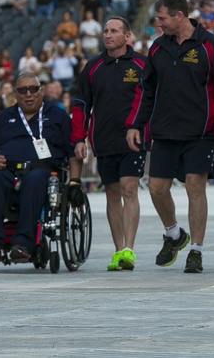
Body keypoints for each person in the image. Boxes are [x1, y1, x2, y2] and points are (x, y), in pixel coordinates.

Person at [128, 0, 214, 274]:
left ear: (179, 16)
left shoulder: (211, 45)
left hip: (201, 132)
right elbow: (147, 91)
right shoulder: (158, 48)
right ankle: (174, 234)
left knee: (196, 186)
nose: (158, 23)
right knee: (157, 189)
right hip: (164, 132)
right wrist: (136, 125)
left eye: (162, 18)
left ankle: (196, 250)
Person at [0, 72, 74, 263]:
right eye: (23, 90)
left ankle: (23, 242)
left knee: (35, 179)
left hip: (43, 170)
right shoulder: (3, 117)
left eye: (33, 89)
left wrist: (75, 181)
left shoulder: (58, 116)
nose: (29, 94)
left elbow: (73, 151)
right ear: (15, 94)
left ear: (41, 91)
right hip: (7, 169)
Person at [70, 16, 148, 271]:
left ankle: (129, 249)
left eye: (114, 31)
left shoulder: (141, 65)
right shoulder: (92, 67)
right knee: (113, 194)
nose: (107, 35)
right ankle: (118, 250)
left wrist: (142, 128)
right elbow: (81, 104)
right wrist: (79, 137)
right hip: (103, 140)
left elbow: (151, 101)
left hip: (133, 140)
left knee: (129, 189)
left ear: (127, 36)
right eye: (105, 31)